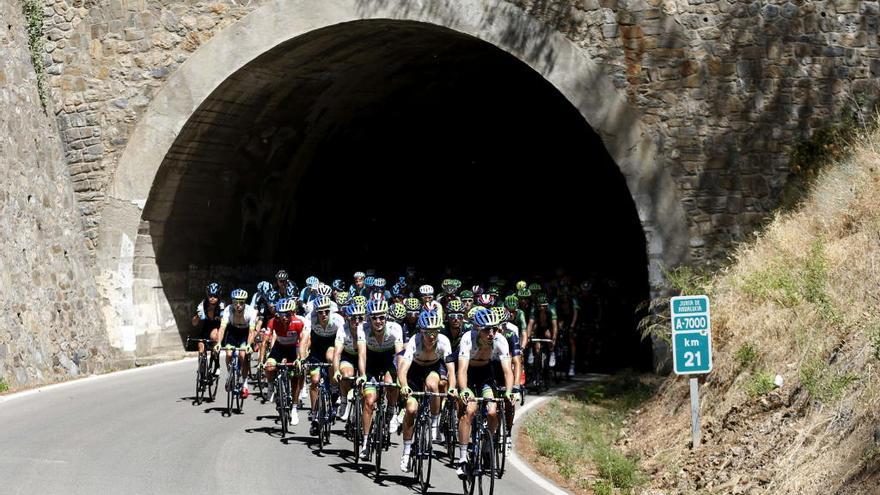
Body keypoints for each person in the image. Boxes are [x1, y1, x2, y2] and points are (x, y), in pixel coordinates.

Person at [397, 310, 456, 472]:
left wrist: (452, 387)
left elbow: (451, 369)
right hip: (414, 371)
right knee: (411, 409)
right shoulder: (414, 343)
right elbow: (403, 370)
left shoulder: (444, 341)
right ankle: (407, 451)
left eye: (435, 331)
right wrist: (404, 386)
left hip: (433, 368)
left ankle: (435, 423)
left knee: (433, 385)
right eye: (428, 332)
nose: (432, 336)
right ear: (421, 331)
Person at [215, 289, 258, 398]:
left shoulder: (251, 311)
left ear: (245, 302)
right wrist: (219, 343)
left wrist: (249, 345)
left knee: (242, 355)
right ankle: (230, 376)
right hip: (233, 332)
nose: (238, 305)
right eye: (235, 302)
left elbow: (252, 331)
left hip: (245, 333)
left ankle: (244, 383)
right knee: (229, 354)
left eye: (241, 302)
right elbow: (222, 328)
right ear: (232, 302)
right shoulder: (228, 310)